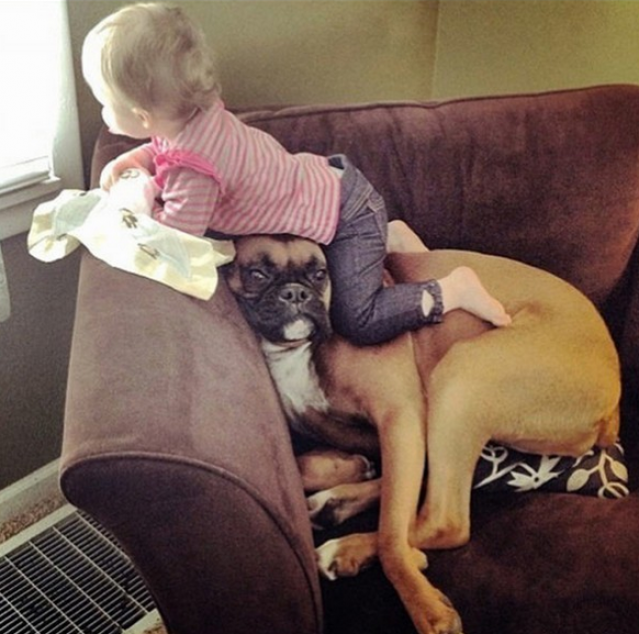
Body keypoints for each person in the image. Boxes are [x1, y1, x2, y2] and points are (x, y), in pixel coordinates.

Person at [82, 2, 510, 346]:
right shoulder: (202, 113)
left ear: (142, 116)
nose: (103, 112)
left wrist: (138, 204)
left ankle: (453, 290)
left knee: (357, 320)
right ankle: (390, 236)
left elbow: (175, 240)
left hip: (347, 217)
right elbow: (168, 149)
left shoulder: (196, 172)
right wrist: (138, 161)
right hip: (332, 184)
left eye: (104, 103)